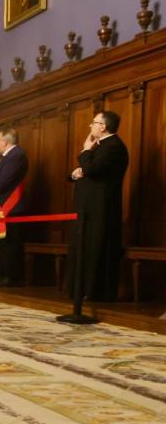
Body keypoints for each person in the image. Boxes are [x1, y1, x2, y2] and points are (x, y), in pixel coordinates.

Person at [68, 110, 129, 302]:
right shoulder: (102, 146)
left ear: (103, 127)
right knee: (85, 248)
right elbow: (89, 170)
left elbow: (93, 169)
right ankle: (81, 290)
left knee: (97, 249)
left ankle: (94, 292)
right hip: (90, 209)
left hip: (101, 210)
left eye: (94, 122)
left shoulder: (114, 146)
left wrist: (86, 149)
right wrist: (75, 174)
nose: (90, 125)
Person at [0, 128, 28, 287]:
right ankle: (2, 275)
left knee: (11, 244)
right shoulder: (8, 157)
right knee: (2, 243)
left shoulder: (17, 155)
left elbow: (4, 181)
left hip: (12, 206)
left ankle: (10, 276)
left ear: (5, 141)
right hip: (2, 205)